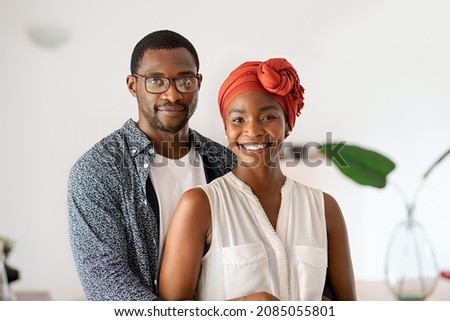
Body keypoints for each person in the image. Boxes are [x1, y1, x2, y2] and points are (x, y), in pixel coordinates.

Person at [159, 58, 357, 301]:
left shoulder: (325, 208)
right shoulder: (200, 205)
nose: (252, 131)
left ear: (287, 125)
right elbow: (168, 310)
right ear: (226, 129)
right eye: (238, 120)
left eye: (267, 117)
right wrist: (243, 306)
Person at [67, 30, 235, 300]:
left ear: (198, 83)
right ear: (133, 85)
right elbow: (107, 286)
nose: (172, 94)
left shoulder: (226, 163)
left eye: (184, 80)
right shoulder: (96, 171)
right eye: (156, 81)